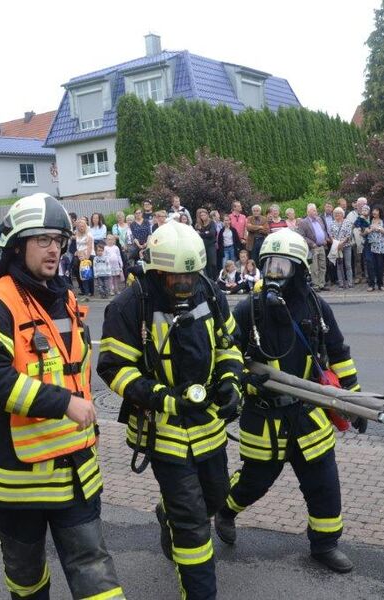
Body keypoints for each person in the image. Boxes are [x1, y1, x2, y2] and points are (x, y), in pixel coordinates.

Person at [0, 193, 124, 599]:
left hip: (76, 472)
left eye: (58, 240)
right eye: (42, 239)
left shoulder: (64, 298)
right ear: (17, 245)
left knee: (97, 575)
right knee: (26, 579)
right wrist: (62, 403)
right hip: (18, 482)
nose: (54, 248)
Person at [97, 221, 244, 600]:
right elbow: (115, 369)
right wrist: (163, 397)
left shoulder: (208, 290)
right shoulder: (130, 306)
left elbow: (229, 344)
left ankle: (167, 513)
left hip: (208, 426)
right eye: (178, 278)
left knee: (216, 497)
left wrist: (230, 381)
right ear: (158, 271)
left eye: (191, 275)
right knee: (193, 524)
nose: (186, 284)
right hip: (162, 431)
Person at [214, 227, 361, 574]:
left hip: (308, 416)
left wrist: (353, 400)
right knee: (254, 482)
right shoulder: (248, 309)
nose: (275, 274)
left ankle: (324, 544)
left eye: (283, 267)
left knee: (324, 483)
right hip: (263, 418)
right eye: (270, 266)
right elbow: (225, 355)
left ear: (300, 269)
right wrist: (244, 381)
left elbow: (339, 353)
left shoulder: (316, 307)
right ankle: (226, 510)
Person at [298, 203, 330, 291]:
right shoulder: (303, 222)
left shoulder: (319, 219)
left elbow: (324, 230)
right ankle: (316, 285)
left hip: (322, 246)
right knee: (314, 267)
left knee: (323, 266)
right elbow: (302, 236)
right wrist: (312, 244)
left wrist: (326, 238)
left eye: (316, 210)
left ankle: (322, 284)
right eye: (314, 210)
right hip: (313, 247)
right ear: (308, 212)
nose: (316, 212)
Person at [362, 205, 384, 292]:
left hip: (380, 247)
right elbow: (362, 233)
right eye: (373, 210)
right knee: (370, 266)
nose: (374, 212)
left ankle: (380, 284)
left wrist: (378, 228)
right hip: (369, 247)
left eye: (376, 210)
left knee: (380, 266)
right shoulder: (368, 220)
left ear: (380, 212)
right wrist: (367, 231)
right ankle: (371, 285)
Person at [329, 207, 353, 288]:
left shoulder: (347, 222)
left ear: (342, 214)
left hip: (346, 246)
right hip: (337, 247)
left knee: (348, 265)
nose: (337, 215)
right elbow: (330, 235)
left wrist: (341, 243)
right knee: (339, 265)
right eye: (335, 213)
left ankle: (350, 282)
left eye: (338, 213)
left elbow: (349, 235)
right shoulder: (332, 223)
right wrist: (336, 244)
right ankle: (341, 283)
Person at [195, 207, 218, 279]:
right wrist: (205, 233)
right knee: (206, 264)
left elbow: (212, 233)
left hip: (211, 245)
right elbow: (197, 234)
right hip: (203, 246)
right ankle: (209, 279)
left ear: (207, 215)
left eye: (204, 215)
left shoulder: (211, 223)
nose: (203, 217)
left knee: (213, 263)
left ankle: (215, 278)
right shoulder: (199, 225)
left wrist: (202, 233)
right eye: (201, 215)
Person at [74, 217, 94, 299]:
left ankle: (90, 291)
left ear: (85, 226)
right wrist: (77, 253)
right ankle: (83, 290)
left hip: (88, 255)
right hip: (79, 255)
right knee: (78, 271)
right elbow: (78, 246)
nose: (80, 228)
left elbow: (89, 248)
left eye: (82, 226)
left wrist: (86, 259)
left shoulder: (89, 235)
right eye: (79, 226)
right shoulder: (77, 234)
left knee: (88, 273)